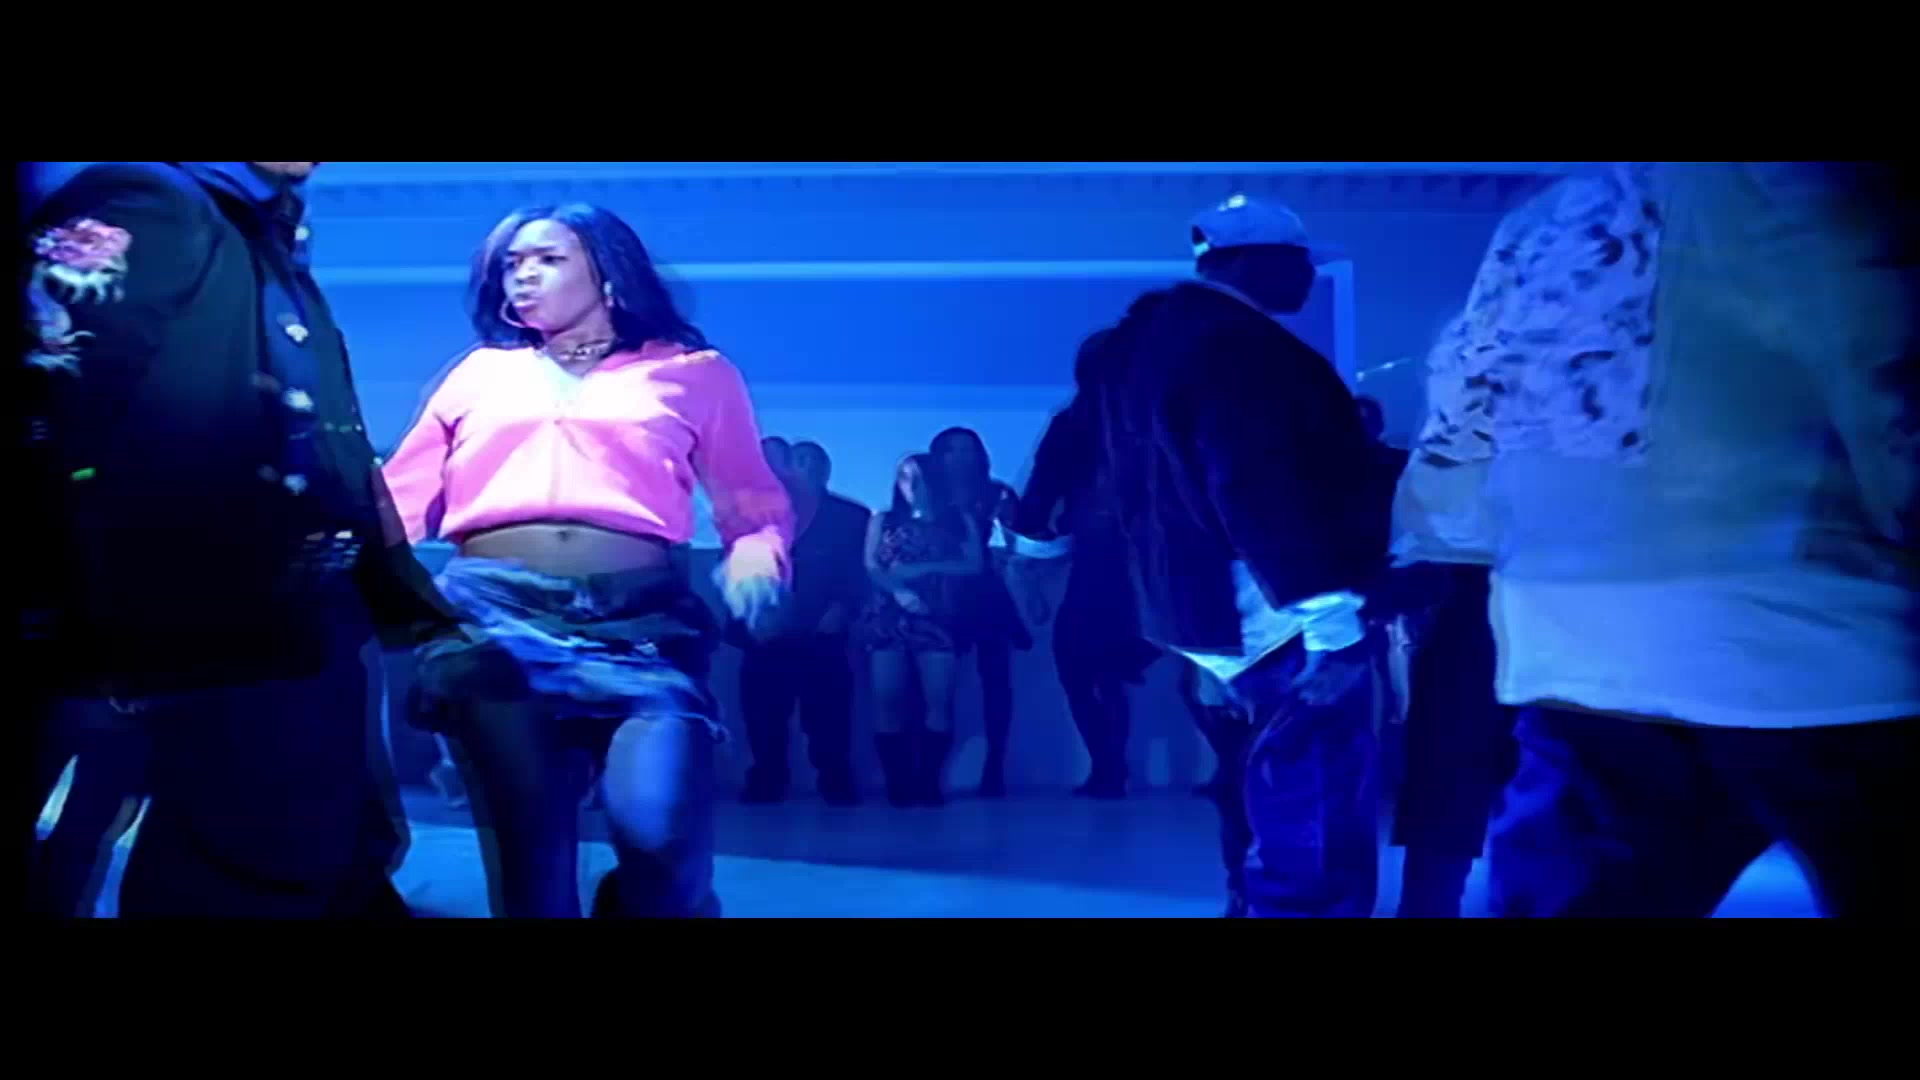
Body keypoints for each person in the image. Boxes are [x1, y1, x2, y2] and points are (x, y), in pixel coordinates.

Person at [1457, 162, 1918, 918]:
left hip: (1577, 642)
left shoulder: (1548, 218)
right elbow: (1890, 409)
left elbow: (1469, 436)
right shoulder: (1819, 188)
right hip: (1815, 637)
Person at [22, 161, 462, 918]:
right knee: (245, 871)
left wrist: (387, 599)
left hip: (282, 627)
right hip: (192, 632)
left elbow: (322, 435)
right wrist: (85, 627)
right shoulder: (148, 198)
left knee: (317, 856)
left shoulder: (256, 228)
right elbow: (51, 397)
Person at [381, 202, 791, 919]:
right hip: (495, 620)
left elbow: (751, 500)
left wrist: (758, 556)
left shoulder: (694, 373)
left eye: (548, 259)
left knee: (661, 844)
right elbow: (401, 496)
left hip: (641, 626)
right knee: (533, 864)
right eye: (512, 264)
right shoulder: (480, 373)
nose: (523, 276)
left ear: (607, 273)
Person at [1091, 195, 1393, 918]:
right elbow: (1253, 482)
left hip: (1204, 606)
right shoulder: (1242, 345)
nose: (1308, 276)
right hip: (1278, 610)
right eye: (1298, 261)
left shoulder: (1149, 344)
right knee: (1315, 794)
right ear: (1256, 261)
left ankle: (1255, 903)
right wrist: (1328, 617)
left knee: (1264, 781)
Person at [1006, 331, 1160, 798]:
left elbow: (1042, 487)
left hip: (1099, 553)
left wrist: (1030, 530)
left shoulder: (1076, 421)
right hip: (1142, 555)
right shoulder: (1149, 417)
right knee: (1104, 665)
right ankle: (1110, 768)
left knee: (1081, 661)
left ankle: (1108, 768)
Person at [736, 440, 871, 806]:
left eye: (814, 461)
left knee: (829, 712)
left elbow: (861, 570)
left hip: (823, 627)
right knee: (764, 712)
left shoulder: (852, 515)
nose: (806, 467)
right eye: (800, 460)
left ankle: (835, 780)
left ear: (826, 470)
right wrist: (752, 613)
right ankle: (767, 778)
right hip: (768, 628)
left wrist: (844, 608)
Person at [854, 453, 983, 806]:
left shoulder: (957, 520)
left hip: (938, 616)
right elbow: (871, 566)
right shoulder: (883, 519)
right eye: (904, 477)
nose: (912, 485)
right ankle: (897, 783)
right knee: (887, 698)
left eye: (919, 477)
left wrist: (925, 569)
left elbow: (974, 565)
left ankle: (929, 781)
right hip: (889, 616)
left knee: (938, 699)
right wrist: (899, 591)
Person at [930, 427, 1033, 796]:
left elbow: (1016, 542)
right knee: (937, 683)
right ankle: (931, 767)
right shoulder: (927, 494)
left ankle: (995, 765)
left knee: (996, 682)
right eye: (953, 450)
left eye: (968, 449)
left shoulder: (997, 493)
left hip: (988, 594)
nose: (961, 457)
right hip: (941, 595)